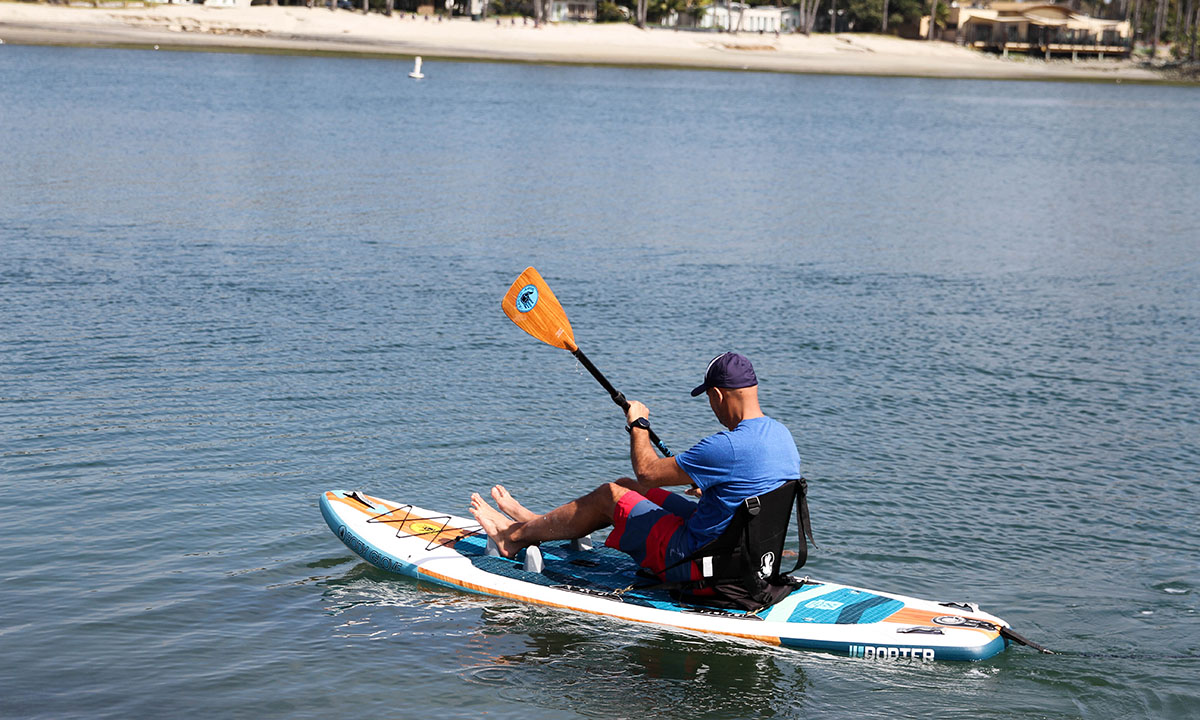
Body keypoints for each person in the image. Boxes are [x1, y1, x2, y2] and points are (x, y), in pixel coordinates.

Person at [470, 352, 801, 583]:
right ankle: (538, 524)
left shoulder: (726, 446)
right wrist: (711, 487)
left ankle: (512, 537)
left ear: (717, 395)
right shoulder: (782, 437)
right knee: (629, 487)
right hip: (739, 554)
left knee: (610, 495)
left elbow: (648, 469)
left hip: (694, 561)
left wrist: (638, 424)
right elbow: (747, 488)